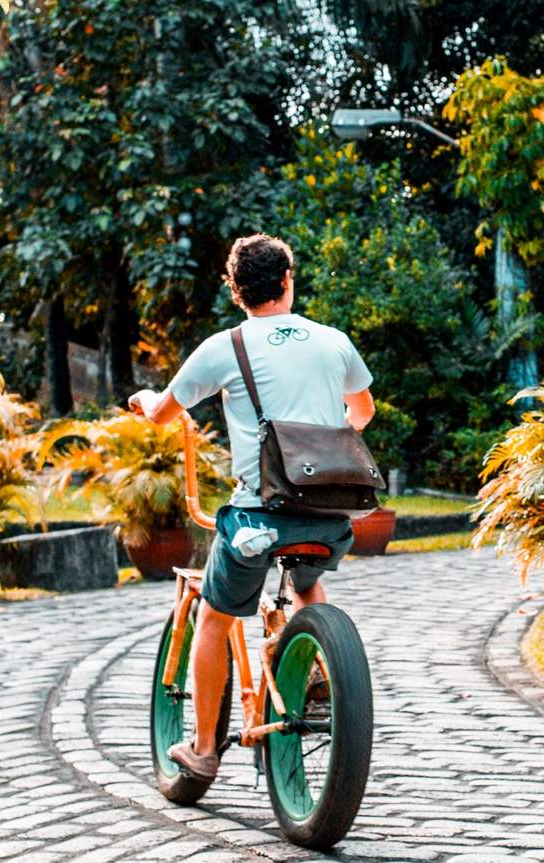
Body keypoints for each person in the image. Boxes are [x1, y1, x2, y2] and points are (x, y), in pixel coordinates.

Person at [128, 233, 375, 780]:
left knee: (215, 616)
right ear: (288, 281)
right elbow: (361, 411)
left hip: (255, 522)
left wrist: (146, 401)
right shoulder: (334, 341)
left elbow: (165, 413)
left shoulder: (224, 348)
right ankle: (316, 668)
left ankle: (203, 749)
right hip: (329, 520)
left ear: (237, 291)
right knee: (306, 580)